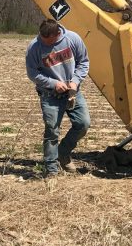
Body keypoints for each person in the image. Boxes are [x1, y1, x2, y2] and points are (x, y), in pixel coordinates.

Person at [25, 18, 91, 175]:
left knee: (83, 124)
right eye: (43, 40)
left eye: (49, 42)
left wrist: (75, 82)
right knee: (52, 131)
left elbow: (84, 62)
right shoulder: (34, 47)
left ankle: (63, 152)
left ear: (58, 34)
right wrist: (53, 83)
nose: (45, 44)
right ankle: (51, 170)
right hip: (50, 95)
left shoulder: (72, 39)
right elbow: (33, 73)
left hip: (72, 92)